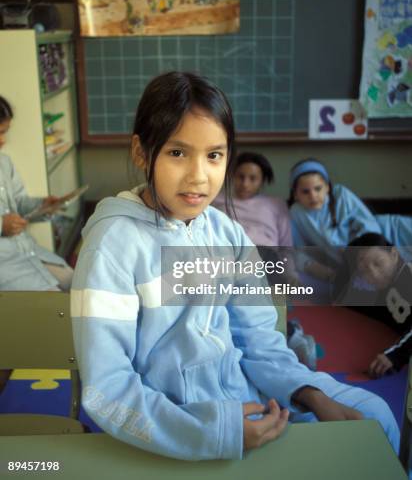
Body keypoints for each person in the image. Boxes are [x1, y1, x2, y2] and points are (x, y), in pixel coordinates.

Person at [71, 72, 399, 460]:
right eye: (177, 153)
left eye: (214, 155)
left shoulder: (226, 232)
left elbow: (260, 342)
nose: (199, 175)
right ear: (142, 153)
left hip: (251, 398)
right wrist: (215, 432)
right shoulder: (113, 244)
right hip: (177, 422)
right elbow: (107, 387)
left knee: (377, 417)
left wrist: (308, 393)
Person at [213, 152, 316, 369]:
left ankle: (286, 336)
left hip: (265, 257)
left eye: (253, 178)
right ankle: (291, 335)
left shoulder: (275, 205)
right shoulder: (216, 200)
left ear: (263, 181)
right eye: (240, 176)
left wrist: (291, 274)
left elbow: (286, 247)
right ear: (231, 175)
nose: (245, 183)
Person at [0, 96, 73, 292]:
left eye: (5, 133)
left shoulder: (4, 163)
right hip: (5, 265)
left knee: (80, 285)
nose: (2, 141)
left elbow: (19, 202)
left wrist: (43, 205)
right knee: (55, 306)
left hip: (26, 250)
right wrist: (2, 225)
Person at [288, 158, 385, 293]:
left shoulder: (341, 195)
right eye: (305, 191)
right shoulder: (296, 213)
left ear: (327, 187)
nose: (313, 196)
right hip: (343, 267)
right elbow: (298, 250)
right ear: (295, 194)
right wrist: (313, 267)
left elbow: (370, 228)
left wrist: (356, 253)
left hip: (370, 252)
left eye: (318, 188)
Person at [348, 233, 412, 379]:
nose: (374, 274)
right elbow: (376, 308)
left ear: (394, 254)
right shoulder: (386, 288)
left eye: (378, 263)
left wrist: (395, 354)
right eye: (364, 270)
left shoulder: (408, 275)